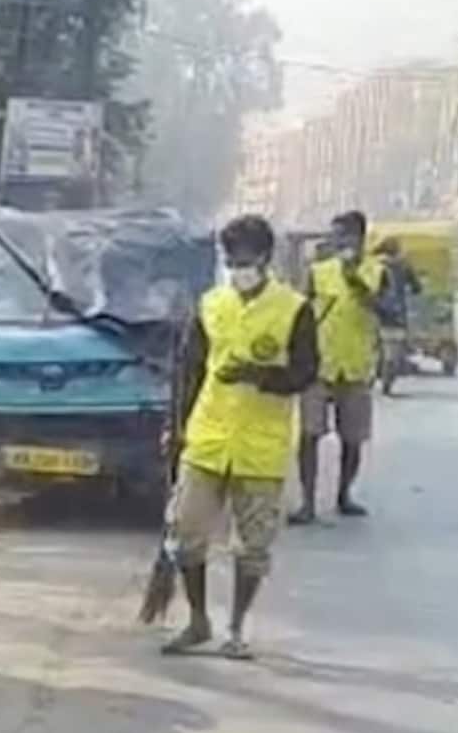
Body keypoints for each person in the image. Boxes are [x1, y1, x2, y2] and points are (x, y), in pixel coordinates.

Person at [163, 214, 318, 658]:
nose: (236, 267)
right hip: (207, 438)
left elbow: (306, 372)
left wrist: (258, 374)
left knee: (252, 547)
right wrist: (175, 429)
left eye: (244, 259)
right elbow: (189, 371)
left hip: (260, 446)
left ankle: (237, 627)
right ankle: (197, 621)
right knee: (186, 535)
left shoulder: (293, 309)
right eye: (230, 259)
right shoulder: (211, 304)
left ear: (266, 259)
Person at [294, 209, 385, 522]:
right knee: (309, 434)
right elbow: (302, 314)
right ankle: (307, 503)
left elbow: (383, 309)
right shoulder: (318, 271)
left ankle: (344, 495)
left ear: (359, 238)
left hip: (357, 365)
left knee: (353, 437)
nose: (337, 242)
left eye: (343, 236)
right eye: (334, 236)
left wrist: (354, 279)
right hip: (320, 364)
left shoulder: (376, 271)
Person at [373, 236, 420, 396]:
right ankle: (389, 376)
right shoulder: (404, 266)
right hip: (397, 315)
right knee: (395, 349)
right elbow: (417, 288)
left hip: (374, 313)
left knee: (374, 345)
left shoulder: (374, 265)